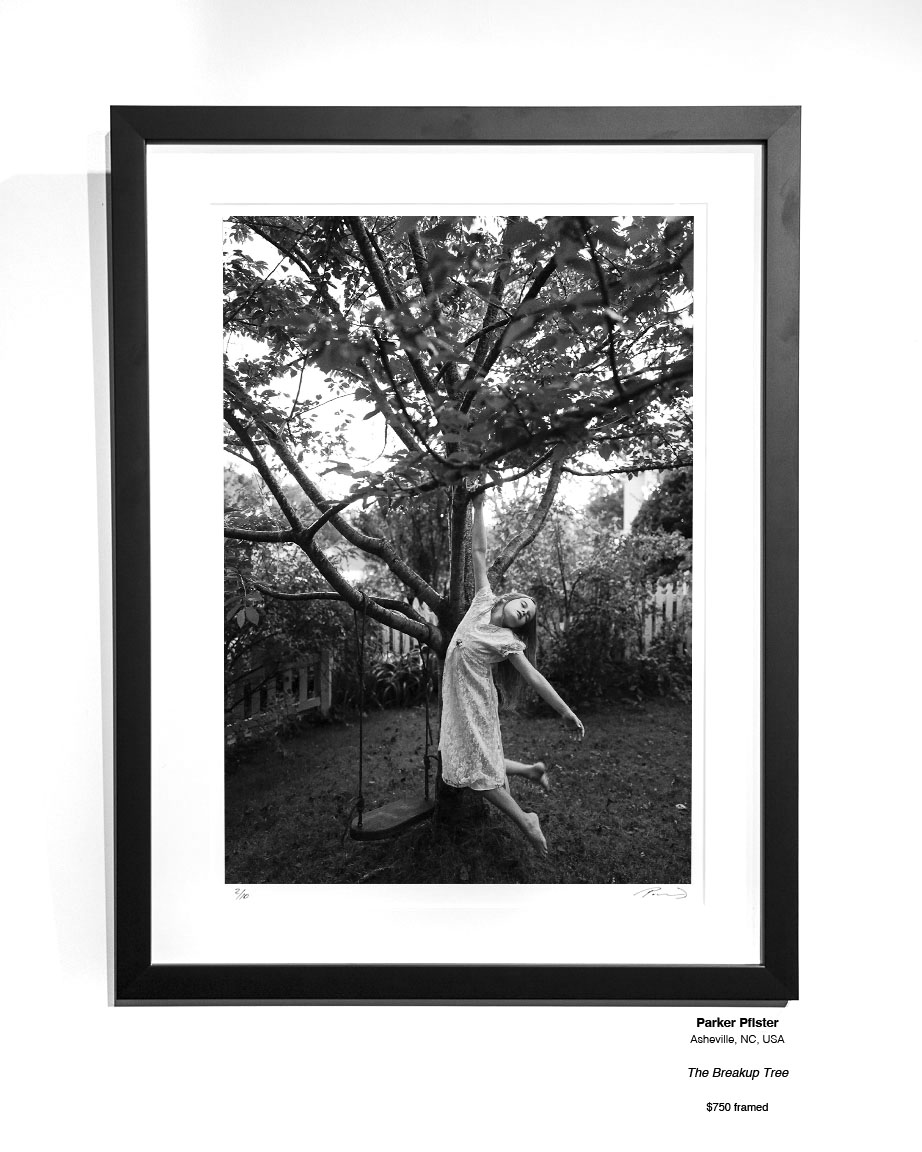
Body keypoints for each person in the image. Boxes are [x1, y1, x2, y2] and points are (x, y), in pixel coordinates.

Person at [439, 486, 585, 856]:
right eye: (524, 605)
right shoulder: (483, 599)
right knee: (468, 754)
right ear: (510, 598)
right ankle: (532, 771)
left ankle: (526, 820)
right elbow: (479, 552)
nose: (525, 612)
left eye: (528, 616)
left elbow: (534, 677)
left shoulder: (507, 641)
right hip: (455, 696)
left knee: (477, 770)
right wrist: (478, 506)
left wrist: (565, 712)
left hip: (476, 703)